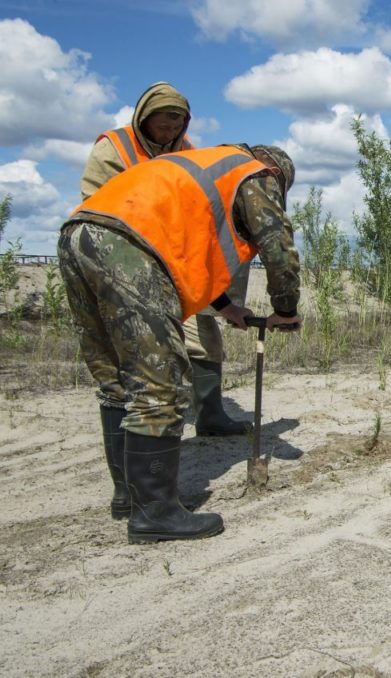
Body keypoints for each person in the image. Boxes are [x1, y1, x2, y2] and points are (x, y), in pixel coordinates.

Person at [59, 143, 302, 543]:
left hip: (78, 235)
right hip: (128, 246)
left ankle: (128, 497)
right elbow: (277, 246)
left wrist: (226, 308)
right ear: (277, 172)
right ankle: (155, 513)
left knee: (116, 379)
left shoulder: (201, 166)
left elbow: (187, 252)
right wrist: (286, 308)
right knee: (160, 381)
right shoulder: (254, 172)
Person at [81, 82, 250, 437]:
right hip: (125, 261)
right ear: (144, 119)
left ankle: (211, 415)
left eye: (177, 126)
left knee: (205, 336)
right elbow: (96, 209)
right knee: (140, 354)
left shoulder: (187, 151)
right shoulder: (115, 147)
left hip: (176, 261)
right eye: (163, 125)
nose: (170, 132)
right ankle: (134, 428)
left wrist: (220, 298)